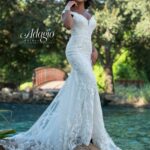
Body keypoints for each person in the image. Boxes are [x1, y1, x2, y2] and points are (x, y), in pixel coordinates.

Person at [0, 0, 122, 150]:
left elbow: (87, 34)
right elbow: (67, 25)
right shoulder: (69, 12)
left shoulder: (89, 14)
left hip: (86, 52)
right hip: (75, 51)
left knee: (82, 86)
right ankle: (85, 133)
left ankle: (86, 130)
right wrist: (68, 6)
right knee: (89, 82)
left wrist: (94, 49)